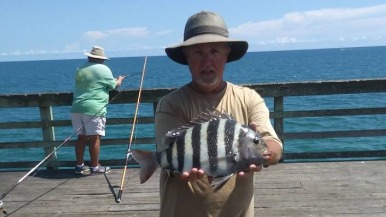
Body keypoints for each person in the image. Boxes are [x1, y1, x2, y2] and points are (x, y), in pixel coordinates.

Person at [154, 11, 283, 217]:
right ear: (187, 57)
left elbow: (271, 143)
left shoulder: (249, 98)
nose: (207, 61)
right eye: (198, 52)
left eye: (214, 51)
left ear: (227, 54)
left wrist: (267, 155)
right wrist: (181, 170)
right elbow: (170, 152)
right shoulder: (171, 104)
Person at [71, 46, 125, 175]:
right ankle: (95, 167)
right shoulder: (103, 69)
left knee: (81, 137)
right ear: (100, 59)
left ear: (89, 57)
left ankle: (79, 165)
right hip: (94, 108)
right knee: (95, 137)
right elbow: (113, 86)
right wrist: (119, 80)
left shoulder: (80, 68)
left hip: (77, 106)